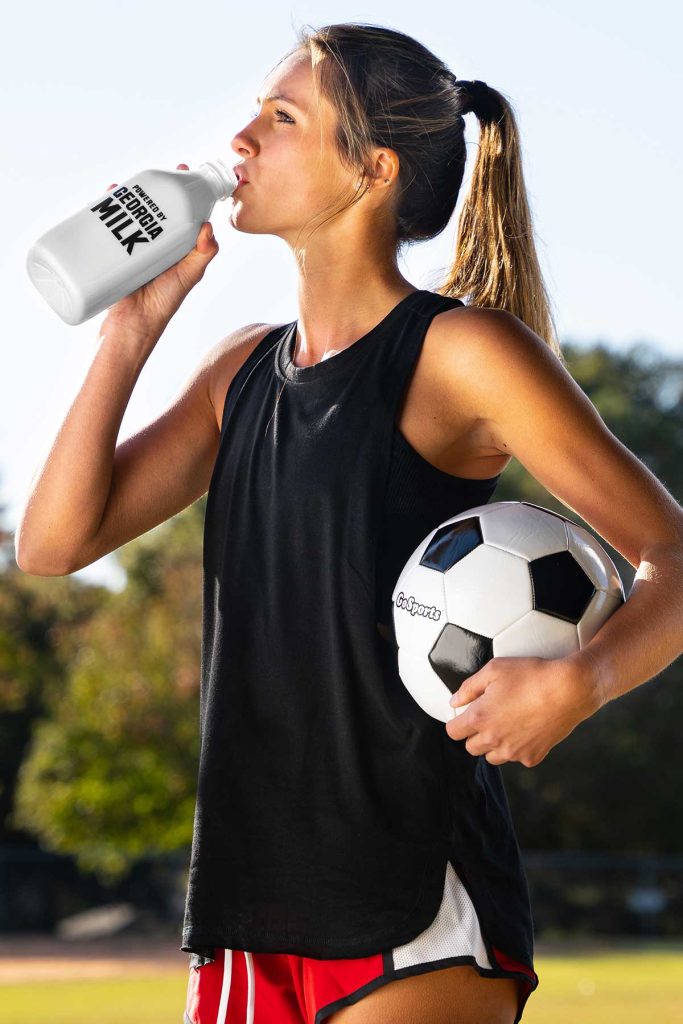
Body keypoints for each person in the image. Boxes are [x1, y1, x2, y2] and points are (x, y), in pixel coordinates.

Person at [16, 20, 683, 1024]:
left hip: (411, 892)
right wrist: (129, 333)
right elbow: (53, 544)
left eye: (280, 118)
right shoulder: (237, 372)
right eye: (249, 114)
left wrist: (578, 681)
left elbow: (669, 551)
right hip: (248, 898)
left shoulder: (459, 352)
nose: (239, 140)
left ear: (372, 170)